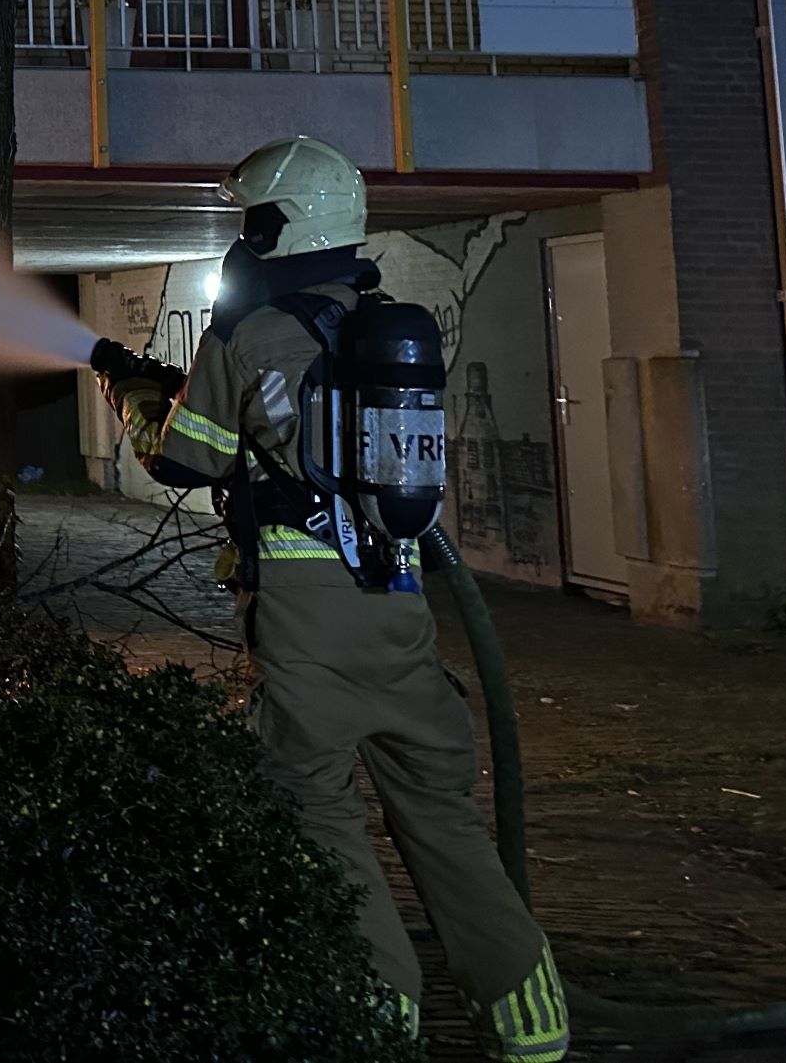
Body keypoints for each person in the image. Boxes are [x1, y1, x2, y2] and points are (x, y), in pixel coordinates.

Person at [98, 135, 569, 1062]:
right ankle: (534, 1024)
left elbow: (185, 457)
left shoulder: (246, 332)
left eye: (251, 219)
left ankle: (374, 1011)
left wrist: (133, 392)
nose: (243, 237)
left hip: (306, 617)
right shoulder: (379, 322)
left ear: (279, 226)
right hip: (397, 605)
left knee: (310, 802)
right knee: (441, 816)